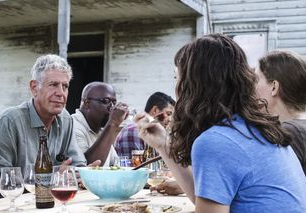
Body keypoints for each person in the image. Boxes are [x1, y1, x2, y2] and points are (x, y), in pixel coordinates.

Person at [137, 34, 306, 212]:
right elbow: (210, 199)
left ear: (190, 85)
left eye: (176, 77)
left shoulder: (217, 141)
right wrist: (163, 145)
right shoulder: (253, 128)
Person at [0, 54, 87, 200]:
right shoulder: (10, 121)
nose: (60, 93)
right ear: (34, 88)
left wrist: (87, 174)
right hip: (9, 207)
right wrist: (51, 178)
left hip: (50, 205)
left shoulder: (65, 119)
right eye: (53, 85)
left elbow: (76, 166)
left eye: (65, 86)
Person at [256, 50, 306, 174]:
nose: (252, 88)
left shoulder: (290, 132)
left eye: (256, 80)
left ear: (274, 87)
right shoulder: (300, 127)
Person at [72, 82, 128, 166]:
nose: (112, 107)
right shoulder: (73, 126)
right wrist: (113, 123)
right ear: (87, 103)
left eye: (114, 102)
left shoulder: (101, 129)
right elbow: (87, 167)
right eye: (106, 101)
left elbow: (115, 164)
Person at [114, 92, 175, 159]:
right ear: (155, 110)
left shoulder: (156, 132)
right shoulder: (134, 130)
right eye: (168, 114)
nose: (170, 120)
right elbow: (136, 167)